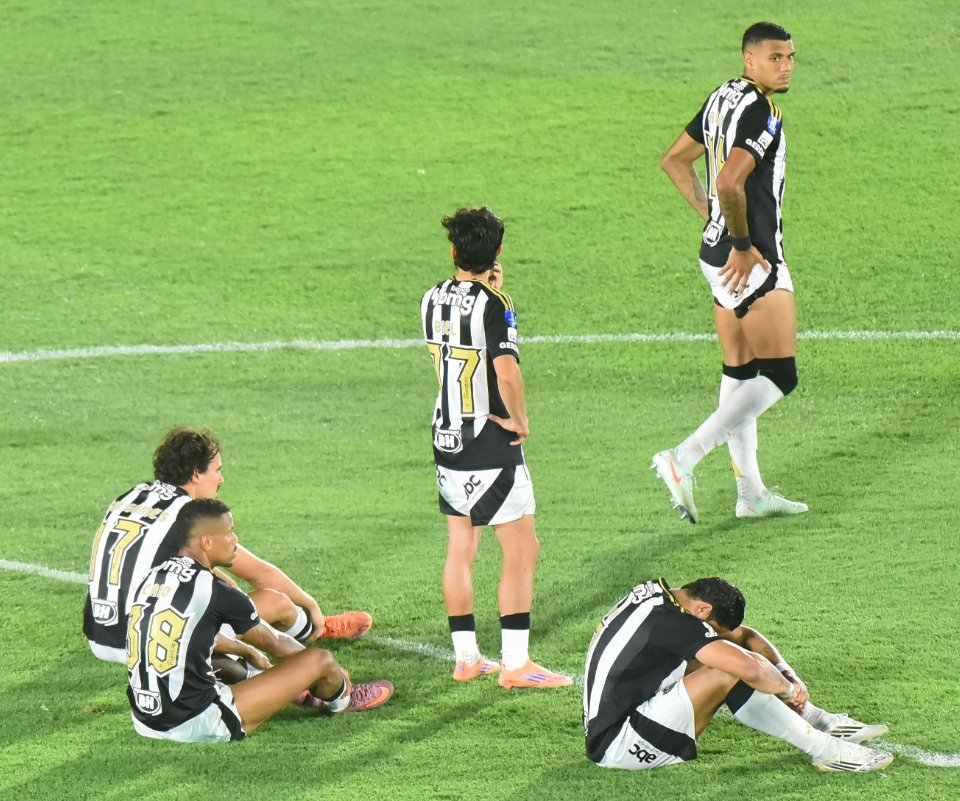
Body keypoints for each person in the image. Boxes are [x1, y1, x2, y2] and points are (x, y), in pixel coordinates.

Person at [653, 21, 810, 523]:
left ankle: (751, 494)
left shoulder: (722, 96)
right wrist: (742, 243)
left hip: (713, 253)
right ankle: (683, 458)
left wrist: (714, 221)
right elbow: (729, 179)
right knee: (780, 374)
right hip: (752, 259)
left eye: (790, 58)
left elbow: (676, 162)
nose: (785, 66)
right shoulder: (763, 113)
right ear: (749, 59)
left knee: (740, 370)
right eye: (775, 57)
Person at [419, 207, 570, 689]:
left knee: (461, 547)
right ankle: (516, 665)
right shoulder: (496, 303)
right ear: (498, 250)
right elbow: (505, 370)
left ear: (453, 250)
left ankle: (467, 658)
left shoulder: (430, 298)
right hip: (489, 443)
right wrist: (519, 419)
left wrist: (488, 287)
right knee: (522, 548)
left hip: (446, 437)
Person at [84, 426, 372, 665]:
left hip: (98, 634)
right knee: (276, 602)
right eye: (217, 470)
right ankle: (314, 629)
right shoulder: (188, 515)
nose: (221, 479)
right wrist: (310, 604)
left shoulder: (134, 494)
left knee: (215, 592)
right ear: (196, 474)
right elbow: (258, 573)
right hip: (143, 639)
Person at [126, 498, 392, 743]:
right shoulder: (217, 590)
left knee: (219, 659)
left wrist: (245, 649)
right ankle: (341, 699)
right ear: (206, 542)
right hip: (195, 722)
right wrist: (334, 673)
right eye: (229, 532)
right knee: (318, 660)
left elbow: (186, 634)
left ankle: (277, 685)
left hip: (144, 718)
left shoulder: (152, 576)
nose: (235, 539)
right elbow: (277, 645)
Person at [583, 577, 892, 772]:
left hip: (626, 714)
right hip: (621, 745)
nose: (710, 633)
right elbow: (748, 667)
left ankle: (817, 719)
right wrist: (787, 691)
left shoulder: (661, 597)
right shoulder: (675, 624)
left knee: (730, 657)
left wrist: (789, 676)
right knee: (727, 670)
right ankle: (827, 751)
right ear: (703, 609)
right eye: (711, 628)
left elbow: (745, 637)